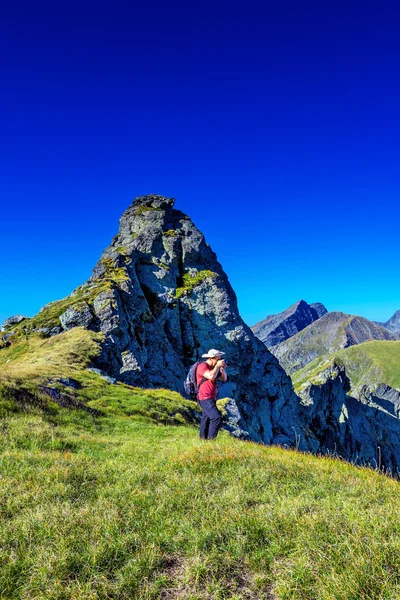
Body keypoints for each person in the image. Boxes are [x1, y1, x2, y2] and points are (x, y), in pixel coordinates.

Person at [196, 348, 228, 440]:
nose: (219, 361)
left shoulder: (214, 367)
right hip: (204, 397)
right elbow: (211, 376)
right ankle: (211, 440)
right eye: (217, 359)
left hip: (211, 397)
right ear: (210, 358)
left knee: (205, 420)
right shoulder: (202, 366)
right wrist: (217, 367)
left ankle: (202, 440)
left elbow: (224, 379)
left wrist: (222, 369)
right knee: (216, 417)